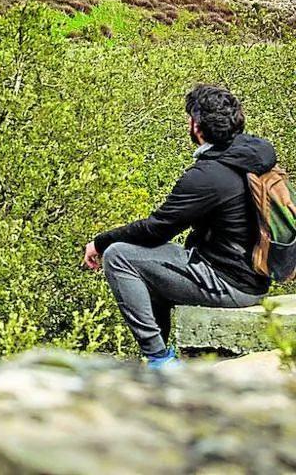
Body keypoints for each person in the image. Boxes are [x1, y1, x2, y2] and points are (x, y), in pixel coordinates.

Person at [83, 84, 273, 369]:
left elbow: (157, 229)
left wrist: (100, 242)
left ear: (197, 127)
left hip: (229, 284)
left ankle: (159, 359)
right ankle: (162, 352)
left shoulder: (208, 176)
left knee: (120, 255)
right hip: (253, 278)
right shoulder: (253, 154)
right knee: (151, 262)